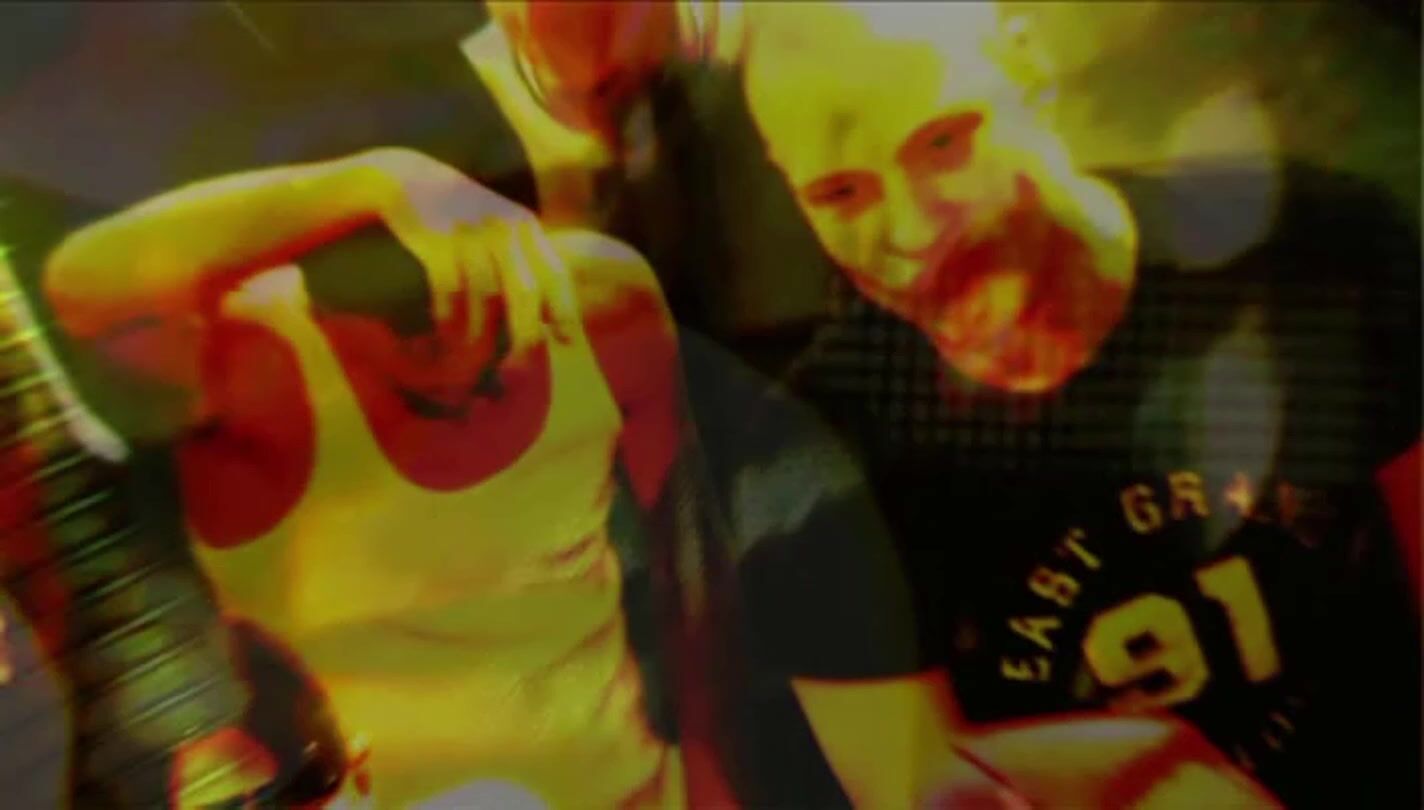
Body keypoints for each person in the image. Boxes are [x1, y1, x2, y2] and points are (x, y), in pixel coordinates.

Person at [722, 3, 1419, 807]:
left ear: (1029, 68)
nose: (914, 233)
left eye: (945, 143)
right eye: (841, 193)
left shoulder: (1317, 248)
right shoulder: (815, 458)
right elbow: (920, 793)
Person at [40, 145, 716, 808]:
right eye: (407, 314)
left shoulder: (592, 300)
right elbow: (82, 282)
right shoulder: (252, 366)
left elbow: (694, 584)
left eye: (481, 304)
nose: (450, 326)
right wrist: (383, 180)